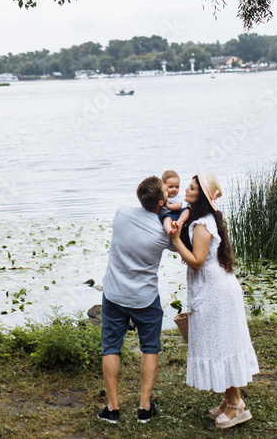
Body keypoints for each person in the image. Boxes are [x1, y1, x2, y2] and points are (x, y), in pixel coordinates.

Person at [169, 171, 259, 429]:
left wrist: (176, 241)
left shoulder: (202, 224)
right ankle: (229, 400)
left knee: (221, 345)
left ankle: (236, 405)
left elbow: (197, 261)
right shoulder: (204, 219)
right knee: (221, 342)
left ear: (202, 197)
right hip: (214, 288)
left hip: (214, 291)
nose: (186, 190)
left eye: (192, 188)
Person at [97, 175, 175, 424]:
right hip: (145, 298)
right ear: (161, 201)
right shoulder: (164, 233)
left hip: (114, 294)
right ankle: (144, 408)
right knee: (150, 348)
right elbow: (178, 244)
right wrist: (170, 213)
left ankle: (112, 409)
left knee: (111, 348)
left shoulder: (121, 213)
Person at [160, 170, 185, 235]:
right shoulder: (162, 196)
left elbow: (179, 205)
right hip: (167, 214)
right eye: (170, 187)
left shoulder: (177, 197)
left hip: (177, 213)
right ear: (163, 186)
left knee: (187, 210)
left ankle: (179, 222)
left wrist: (168, 205)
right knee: (167, 220)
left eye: (177, 187)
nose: (174, 189)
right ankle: (170, 231)